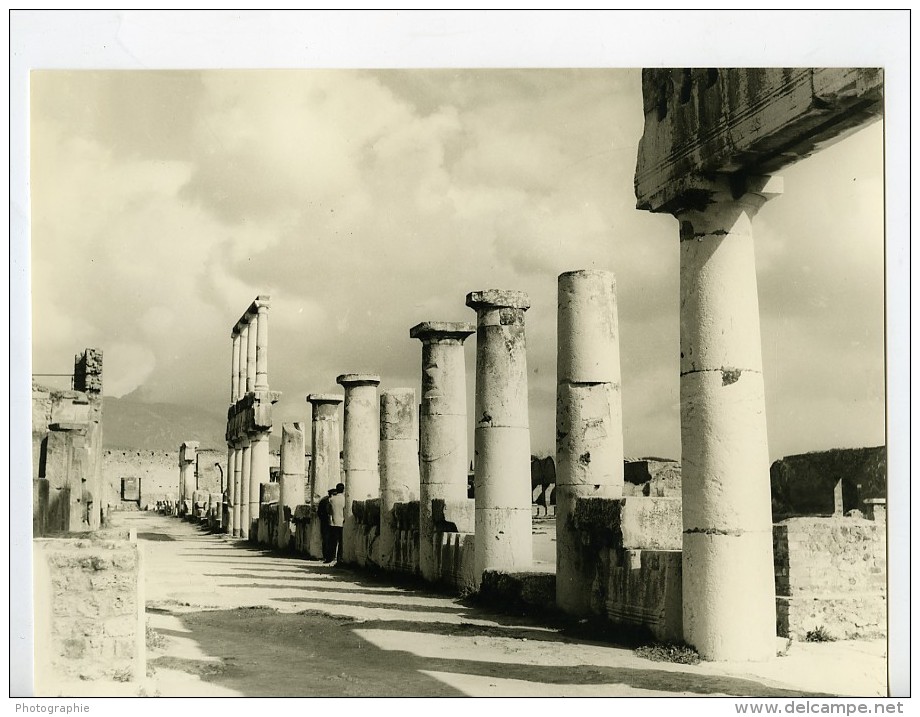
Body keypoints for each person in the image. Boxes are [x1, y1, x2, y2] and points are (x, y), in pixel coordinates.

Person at [326, 482, 346, 565]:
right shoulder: (345, 499)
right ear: (343, 490)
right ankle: (340, 558)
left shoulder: (332, 499)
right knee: (341, 542)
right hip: (343, 522)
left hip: (333, 522)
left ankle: (331, 557)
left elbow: (328, 511)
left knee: (332, 542)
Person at [318, 488, 334, 562]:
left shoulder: (323, 500)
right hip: (332, 523)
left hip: (325, 522)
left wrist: (323, 519)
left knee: (326, 539)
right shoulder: (330, 501)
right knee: (330, 540)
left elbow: (319, 513)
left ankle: (326, 556)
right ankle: (331, 556)